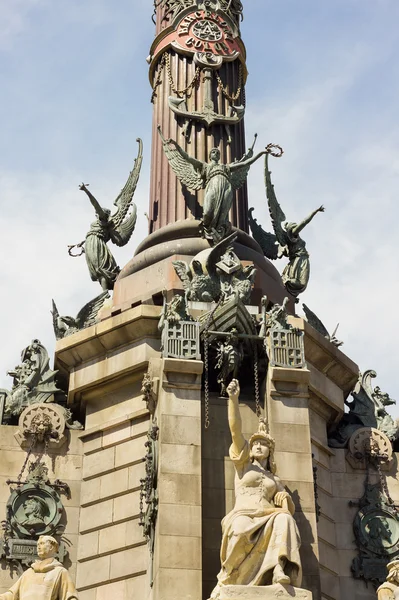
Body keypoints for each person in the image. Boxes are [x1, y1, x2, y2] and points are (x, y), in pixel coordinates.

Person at [209, 379, 302, 597]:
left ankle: (278, 569)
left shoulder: (274, 479)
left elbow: (288, 507)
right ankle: (229, 576)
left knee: (285, 520)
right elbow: (235, 431)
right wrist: (233, 400)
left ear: (270, 451)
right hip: (244, 514)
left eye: (264, 444)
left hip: (267, 514)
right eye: (256, 443)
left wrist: (284, 499)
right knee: (240, 531)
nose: (259, 446)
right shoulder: (243, 464)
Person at [0, 536, 78, 600]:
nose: (38, 547)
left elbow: (70, 596)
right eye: (38, 544)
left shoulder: (60, 572)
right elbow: (13, 594)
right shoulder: (28, 573)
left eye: (42, 543)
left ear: (51, 547)